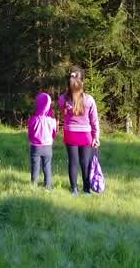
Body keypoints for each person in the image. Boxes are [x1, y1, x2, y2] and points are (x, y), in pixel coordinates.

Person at [58, 67, 100, 195]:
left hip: (70, 134)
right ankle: (86, 190)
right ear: (82, 82)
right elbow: (94, 121)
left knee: (73, 161)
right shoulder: (89, 99)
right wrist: (96, 136)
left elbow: (63, 114)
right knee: (85, 162)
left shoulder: (63, 99)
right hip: (85, 135)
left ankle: (74, 189)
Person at [26, 92, 57, 189]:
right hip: (47, 147)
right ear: (49, 105)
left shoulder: (33, 120)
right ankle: (48, 186)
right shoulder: (52, 120)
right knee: (47, 166)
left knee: (35, 167)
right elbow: (54, 133)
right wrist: (51, 140)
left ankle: (33, 185)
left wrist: (32, 140)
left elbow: (30, 133)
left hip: (35, 147)